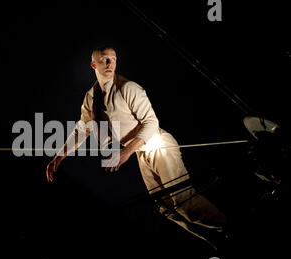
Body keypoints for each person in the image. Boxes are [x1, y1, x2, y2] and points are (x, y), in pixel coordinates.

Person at [46, 46, 227, 247]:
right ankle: (217, 240)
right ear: (93, 64)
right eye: (104, 59)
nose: (109, 63)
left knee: (183, 200)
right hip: (142, 153)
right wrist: (59, 156)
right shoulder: (92, 97)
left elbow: (151, 123)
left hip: (157, 144)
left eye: (113, 59)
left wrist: (125, 153)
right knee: (165, 207)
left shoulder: (128, 88)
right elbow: (83, 128)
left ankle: (229, 228)